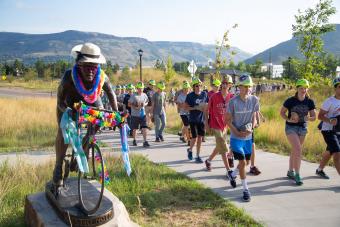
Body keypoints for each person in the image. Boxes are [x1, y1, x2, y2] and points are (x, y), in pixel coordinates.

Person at [52, 43, 118, 189]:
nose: (90, 70)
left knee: (95, 126)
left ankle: (82, 152)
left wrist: (116, 115)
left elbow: (111, 95)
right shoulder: (69, 77)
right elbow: (59, 102)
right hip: (68, 104)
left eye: (94, 67)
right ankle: (58, 167)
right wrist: (69, 111)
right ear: (78, 64)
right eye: (86, 66)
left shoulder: (102, 77)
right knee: (64, 133)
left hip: (92, 101)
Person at [225, 74, 259, 202]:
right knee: (243, 162)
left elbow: (254, 116)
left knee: (247, 162)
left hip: (248, 138)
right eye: (244, 86)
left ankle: (232, 175)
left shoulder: (254, 99)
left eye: (249, 86)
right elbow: (227, 120)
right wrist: (237, 132)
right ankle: (245, 189)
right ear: (239, 87)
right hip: (236, 138)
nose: (247, 89)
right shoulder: (233, 102)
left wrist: (252, 127)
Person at [280, 79, 316, 185]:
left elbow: (314, 117)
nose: (303, 90)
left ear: (307, 89)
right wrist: (288, 119)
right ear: (297, 88)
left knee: (295, 150)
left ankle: (290, 171)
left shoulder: (310, 101)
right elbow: (282, 113)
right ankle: (297, 174)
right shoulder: (290, 100)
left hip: (303, 128)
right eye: (301, 88)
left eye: (305, 88)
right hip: (291, 128)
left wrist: (308, 118)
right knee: (298, 149)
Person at [204, 75, 236, 187]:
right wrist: (206, 124)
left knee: (219, 146)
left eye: (228, 83)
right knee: (224, 146)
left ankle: (208, 161)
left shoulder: (232, 97)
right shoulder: (213, 97)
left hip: (225, 125)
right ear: (221, 84)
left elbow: (233, 112)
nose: (225, 85)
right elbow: (206, 110)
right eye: (224, 83)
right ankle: (229, 171)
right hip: (215, 125)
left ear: (231, 85)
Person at [316, 77, 340, 178]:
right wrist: (330, 120)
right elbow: (320, 116)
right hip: (328, 130)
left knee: (330, 151)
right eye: (339, 87)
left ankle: (319, 169)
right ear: (335, 88)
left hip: (339, 131)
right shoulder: (329, 101)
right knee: (337, 153)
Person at [185, 78, 208, 163]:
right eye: (197, 86)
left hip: (201, 120)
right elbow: (185, 107)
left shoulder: (204, 94)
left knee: (200, 138)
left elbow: (207, 105)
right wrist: (196, 107)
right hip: (192, 119)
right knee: (194, 138)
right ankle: (190, 150)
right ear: (194, 87)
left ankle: (198, 156)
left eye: (200, 85)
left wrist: (207, 119)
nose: (199, 87)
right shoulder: (190, 96)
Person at [129, 81, 150, 147]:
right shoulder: (133, 95)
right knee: (135, 129)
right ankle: (134, 140)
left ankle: (145, 141)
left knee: (144, 128)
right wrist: (135, 106)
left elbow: (147, 102)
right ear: (137, 88)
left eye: (142, 88)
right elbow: (129, 104)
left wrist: (144, 104)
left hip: (142, 114)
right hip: (135, 115)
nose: (140, 89)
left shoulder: (144, 95)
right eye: (139, 88)